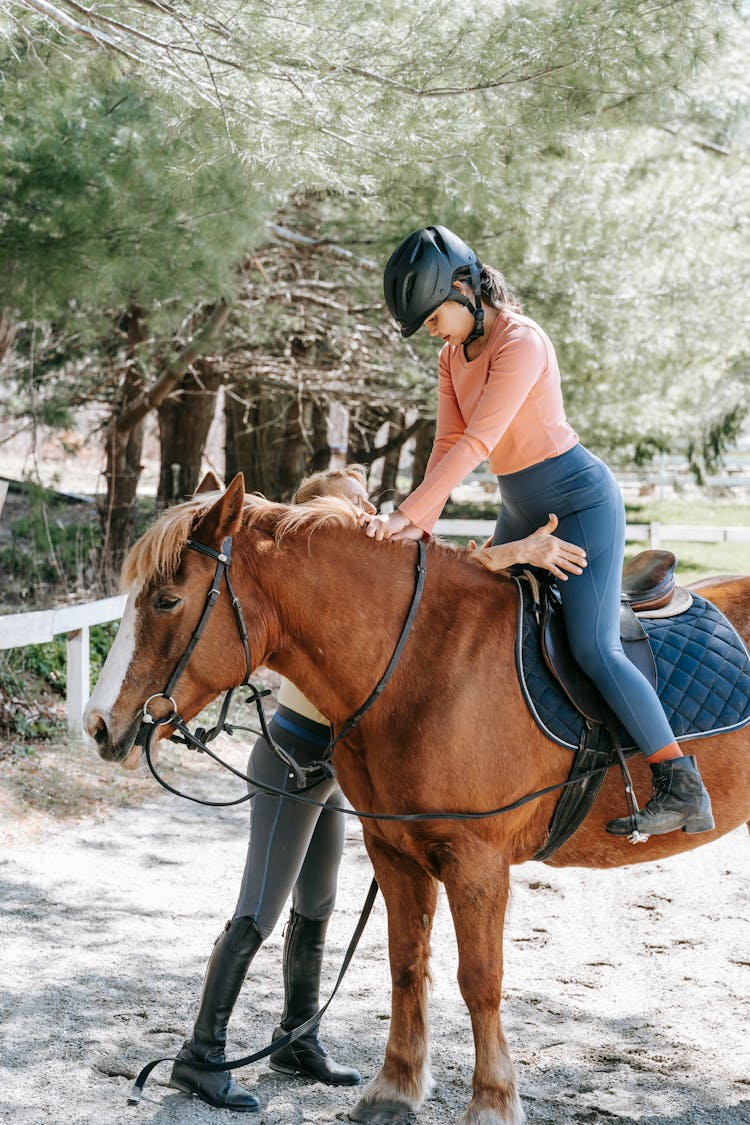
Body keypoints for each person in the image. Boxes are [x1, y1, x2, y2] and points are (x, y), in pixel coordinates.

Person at [363, 225, 714, 840]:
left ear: (465, 289)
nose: (429, 330)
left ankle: (680, 782)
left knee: (594, 647)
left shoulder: (521, 342)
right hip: (521, 503)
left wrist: (405, 517)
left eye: (433, 314)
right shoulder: (452, 357)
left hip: (579, 503)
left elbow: (478, 442)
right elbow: (446, 442)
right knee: (484, 619)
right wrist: (417, 527)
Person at [169, 466, 375, 1113]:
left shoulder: (347, 579)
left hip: (329, 764)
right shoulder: (304, 591)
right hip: (290, 758)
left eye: (364, 500)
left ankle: (297, 1037)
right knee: (258, 908)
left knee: (317, 905)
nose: (364, 511)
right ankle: (200, 1056)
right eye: (350, 504)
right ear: (310, 520)